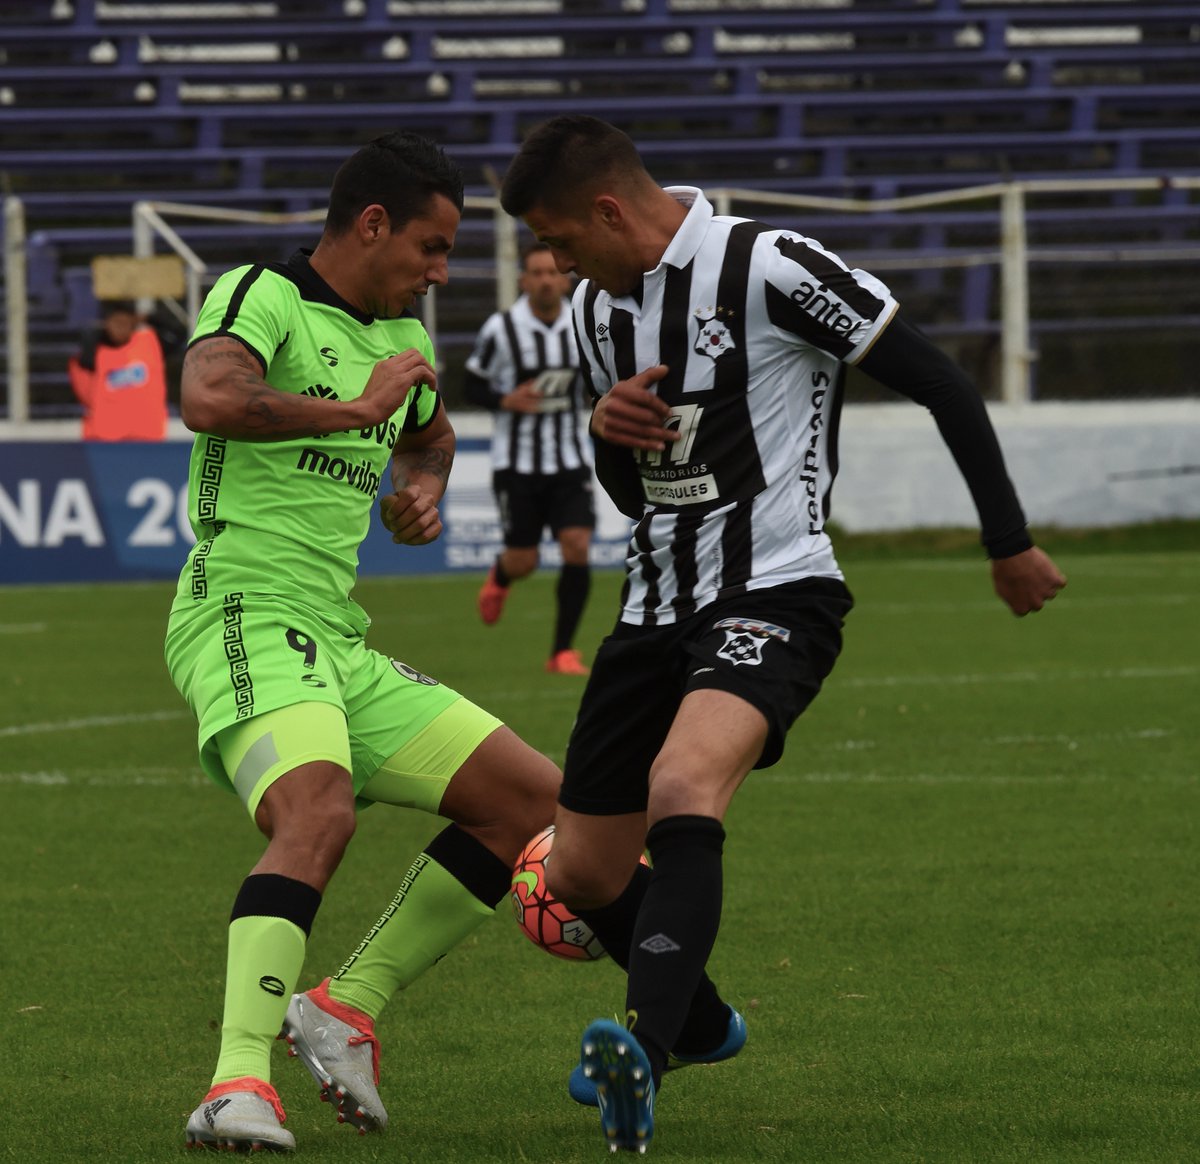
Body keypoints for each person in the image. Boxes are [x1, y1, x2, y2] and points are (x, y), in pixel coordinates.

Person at [499, 115, 1068, 1154]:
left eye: (564, 240)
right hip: (650, 607)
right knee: (578, 872)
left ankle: (646, 1053)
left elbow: (937, 377)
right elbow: (638, 491)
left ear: (609, 210)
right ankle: (704, 1024)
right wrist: (606, 435)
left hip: (776, 589)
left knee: (685, 787)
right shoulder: (595, 311)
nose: (558, 265)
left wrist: (1008, 540)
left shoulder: (769, 264)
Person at [165, 131, 559, 1152]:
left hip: (338, 639)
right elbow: (207, 397)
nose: (439, 274)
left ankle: (345, 1008)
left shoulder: (402, 355)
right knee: (318, 811)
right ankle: (233, 1083)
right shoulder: (262, 295)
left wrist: (419, 490)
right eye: (430, 249)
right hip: (242, 609)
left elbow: (429, 433)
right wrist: (354, 411)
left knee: (529, 802)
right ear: (373, 224)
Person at [465, 242, 596, 676]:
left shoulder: (582, 323)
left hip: (570, 459)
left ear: (564, 278)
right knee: (525, 560)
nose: (545, 280)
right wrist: (506, 399)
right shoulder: (502, 329)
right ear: (523, 280)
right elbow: (470, 385)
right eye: (535, 273)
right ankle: (502, 574)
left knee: (577, 546)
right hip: (516, 465)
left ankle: (562, 652)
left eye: (551, 273)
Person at [67, 299, 168, 440]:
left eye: (124, 323)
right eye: (115, 323)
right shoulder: (93, 355)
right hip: (104, 442)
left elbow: (177, 334)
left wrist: (149, 317)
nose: (120, 328)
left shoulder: (149, 343)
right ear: (106, 324)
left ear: (133, 323)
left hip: (147, 440)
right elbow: (85, 391)